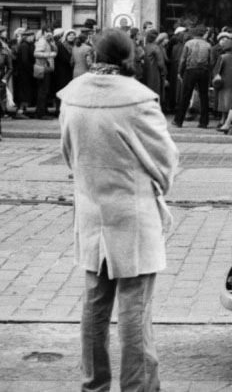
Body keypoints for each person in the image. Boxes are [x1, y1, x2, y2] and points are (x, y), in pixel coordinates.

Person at [58, 28, 179, 392]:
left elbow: (68, 155)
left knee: (94, 307)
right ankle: (138, 387)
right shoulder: (138, 100)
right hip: (133, 212)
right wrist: (158, 184)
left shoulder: (71, 97)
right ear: (129, 58)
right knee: (135, 308)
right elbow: (165, 160)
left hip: (92, 212)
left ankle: (94, 385)